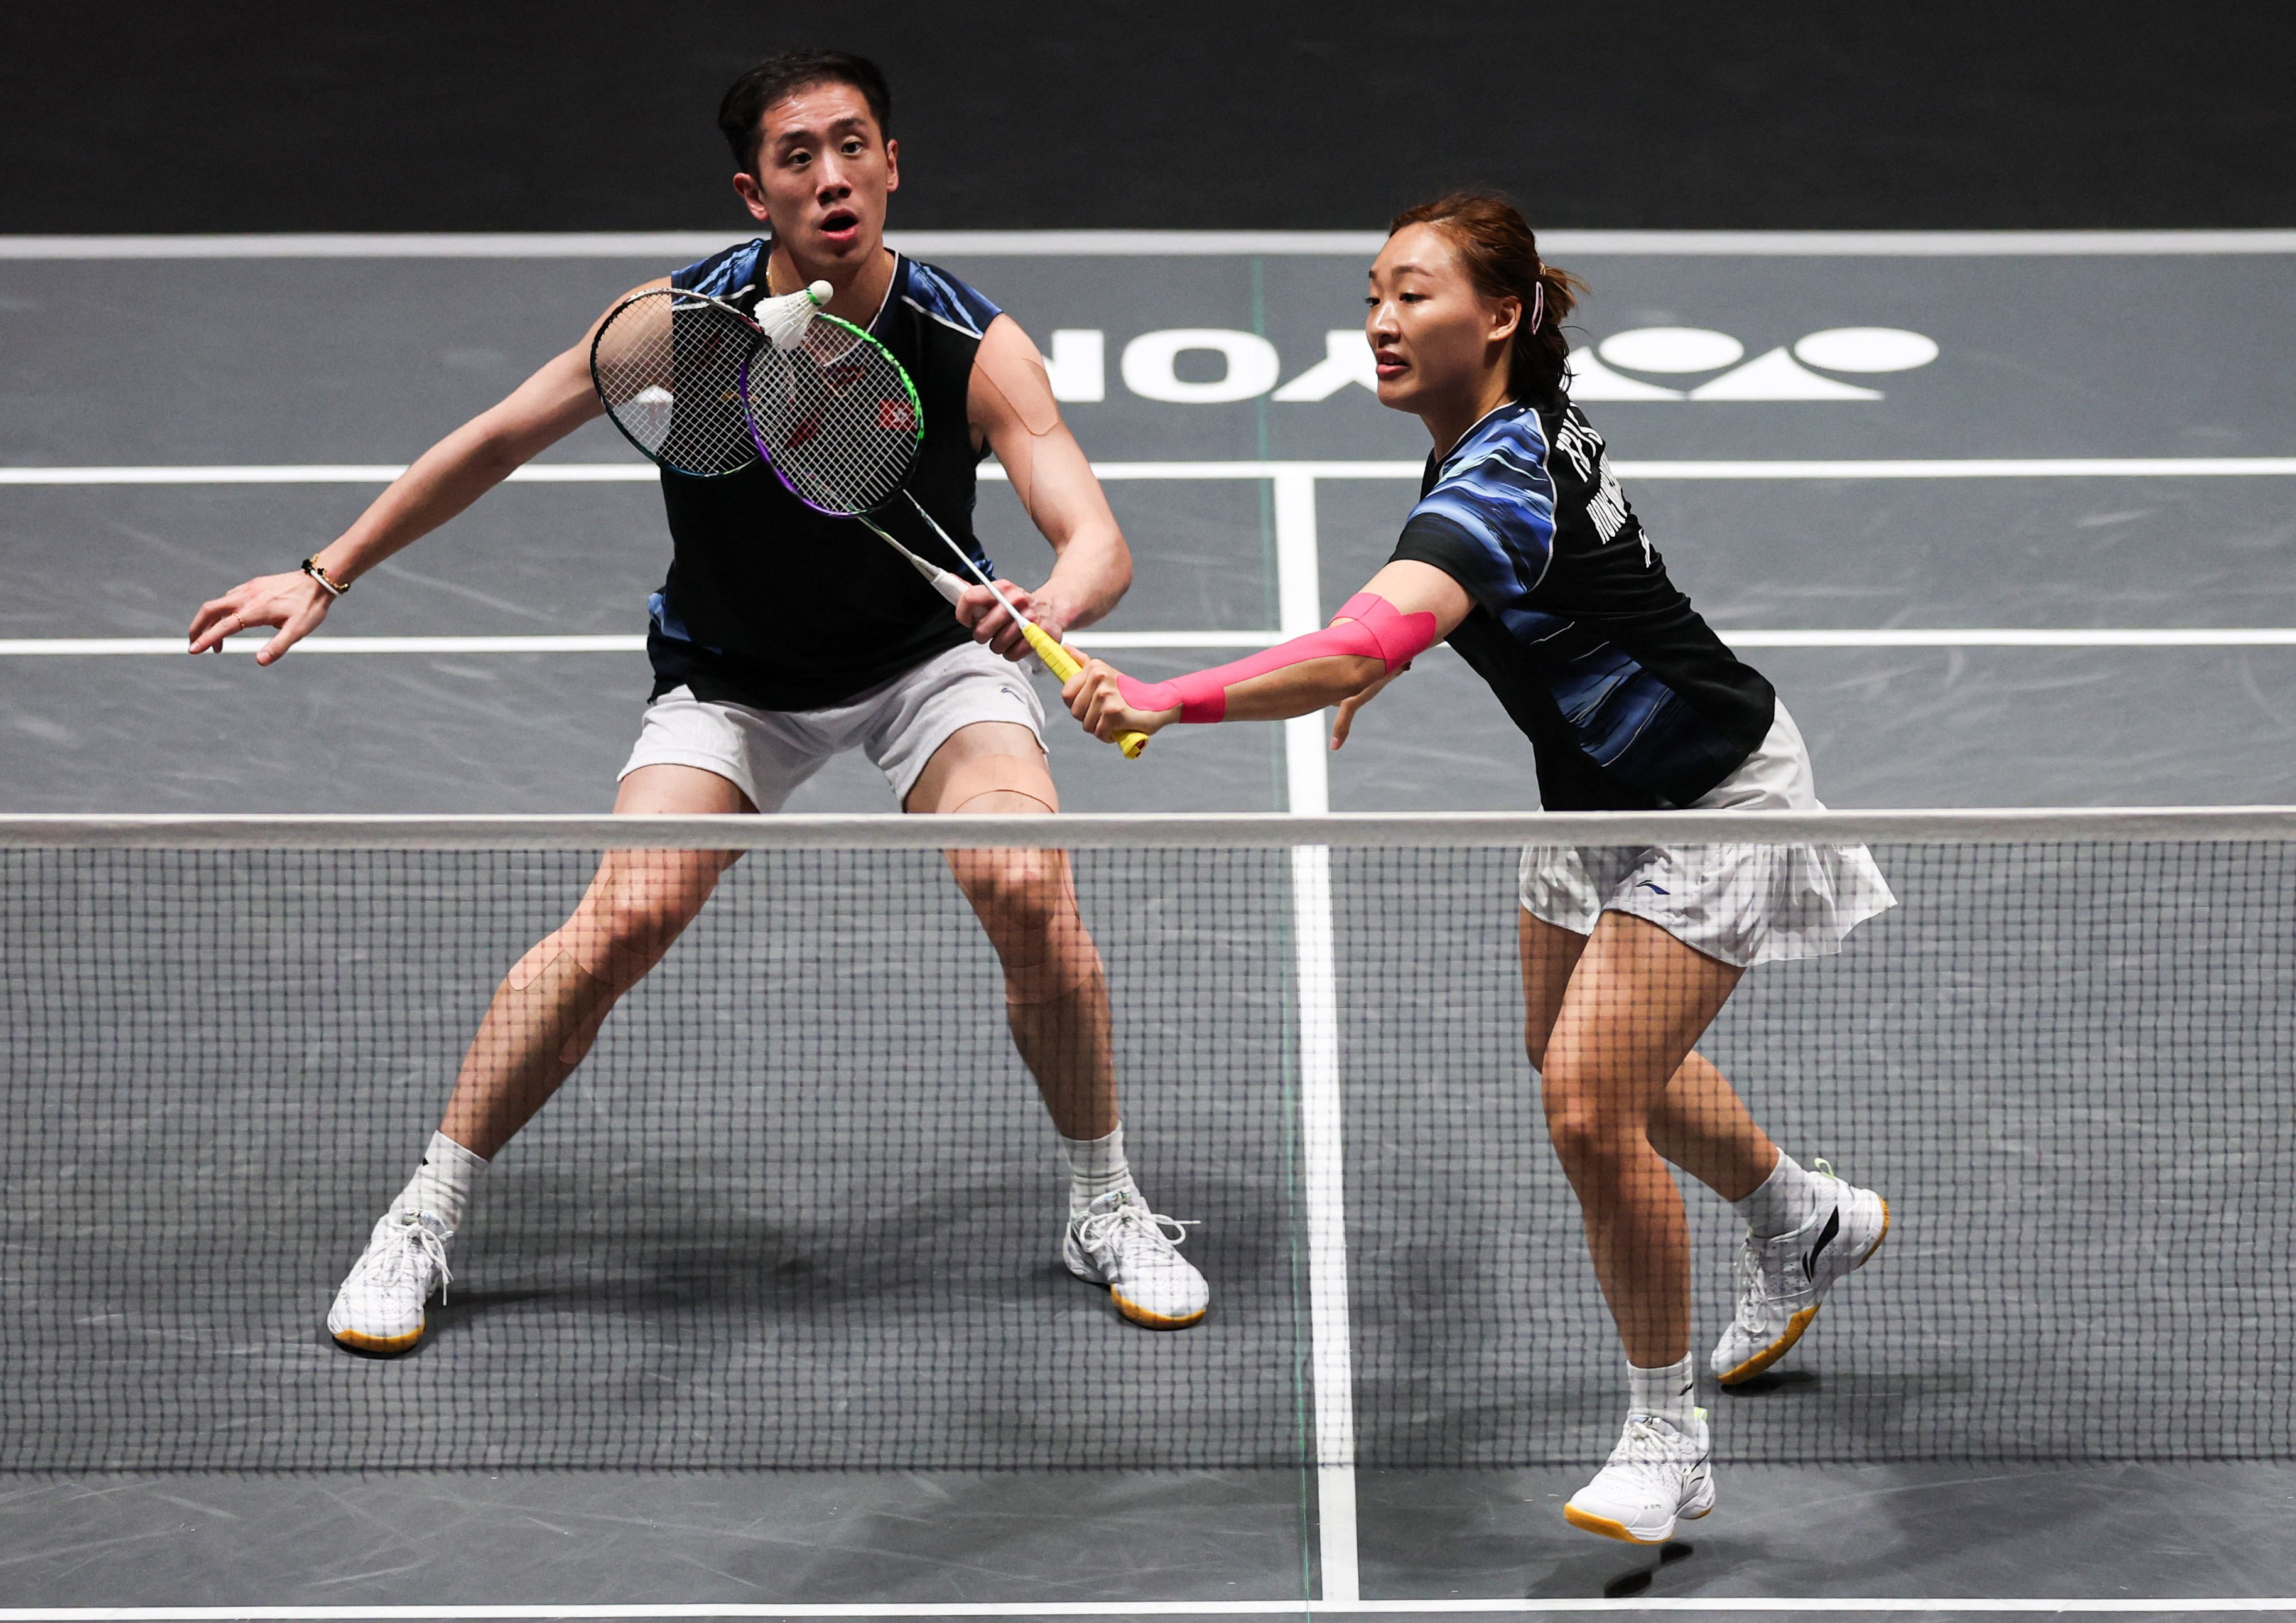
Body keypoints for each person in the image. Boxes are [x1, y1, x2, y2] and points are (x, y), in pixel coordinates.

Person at [188, 50, 1209, 1352]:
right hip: (731, 680)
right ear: (753, 190)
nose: (832, 175)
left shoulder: (966, 342)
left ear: (892, 166)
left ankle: (1103, 1202)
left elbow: (1095, 539)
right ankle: (423, 1217)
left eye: (854, 147)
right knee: (627, 913)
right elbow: (499, 438)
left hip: (924, 667)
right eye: (798, 156)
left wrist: (1049, 606)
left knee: (1024, 883)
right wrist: (325, 570)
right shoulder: (685, 325)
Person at [1061, 193, 1893, 1544]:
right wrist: (1390, 654)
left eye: (1414, 296)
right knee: (1568, 1052)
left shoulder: (1498, 472)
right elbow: (1496, 592)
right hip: (1592, 800)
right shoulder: (1497, 437)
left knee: (1584, 1105)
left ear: (1499, 317)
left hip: (1712, 799)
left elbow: (1363, 635)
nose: (1381, 323)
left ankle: (1664, 1434)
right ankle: (1801, 1220)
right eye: (1372, 296)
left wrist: (1171, 699)